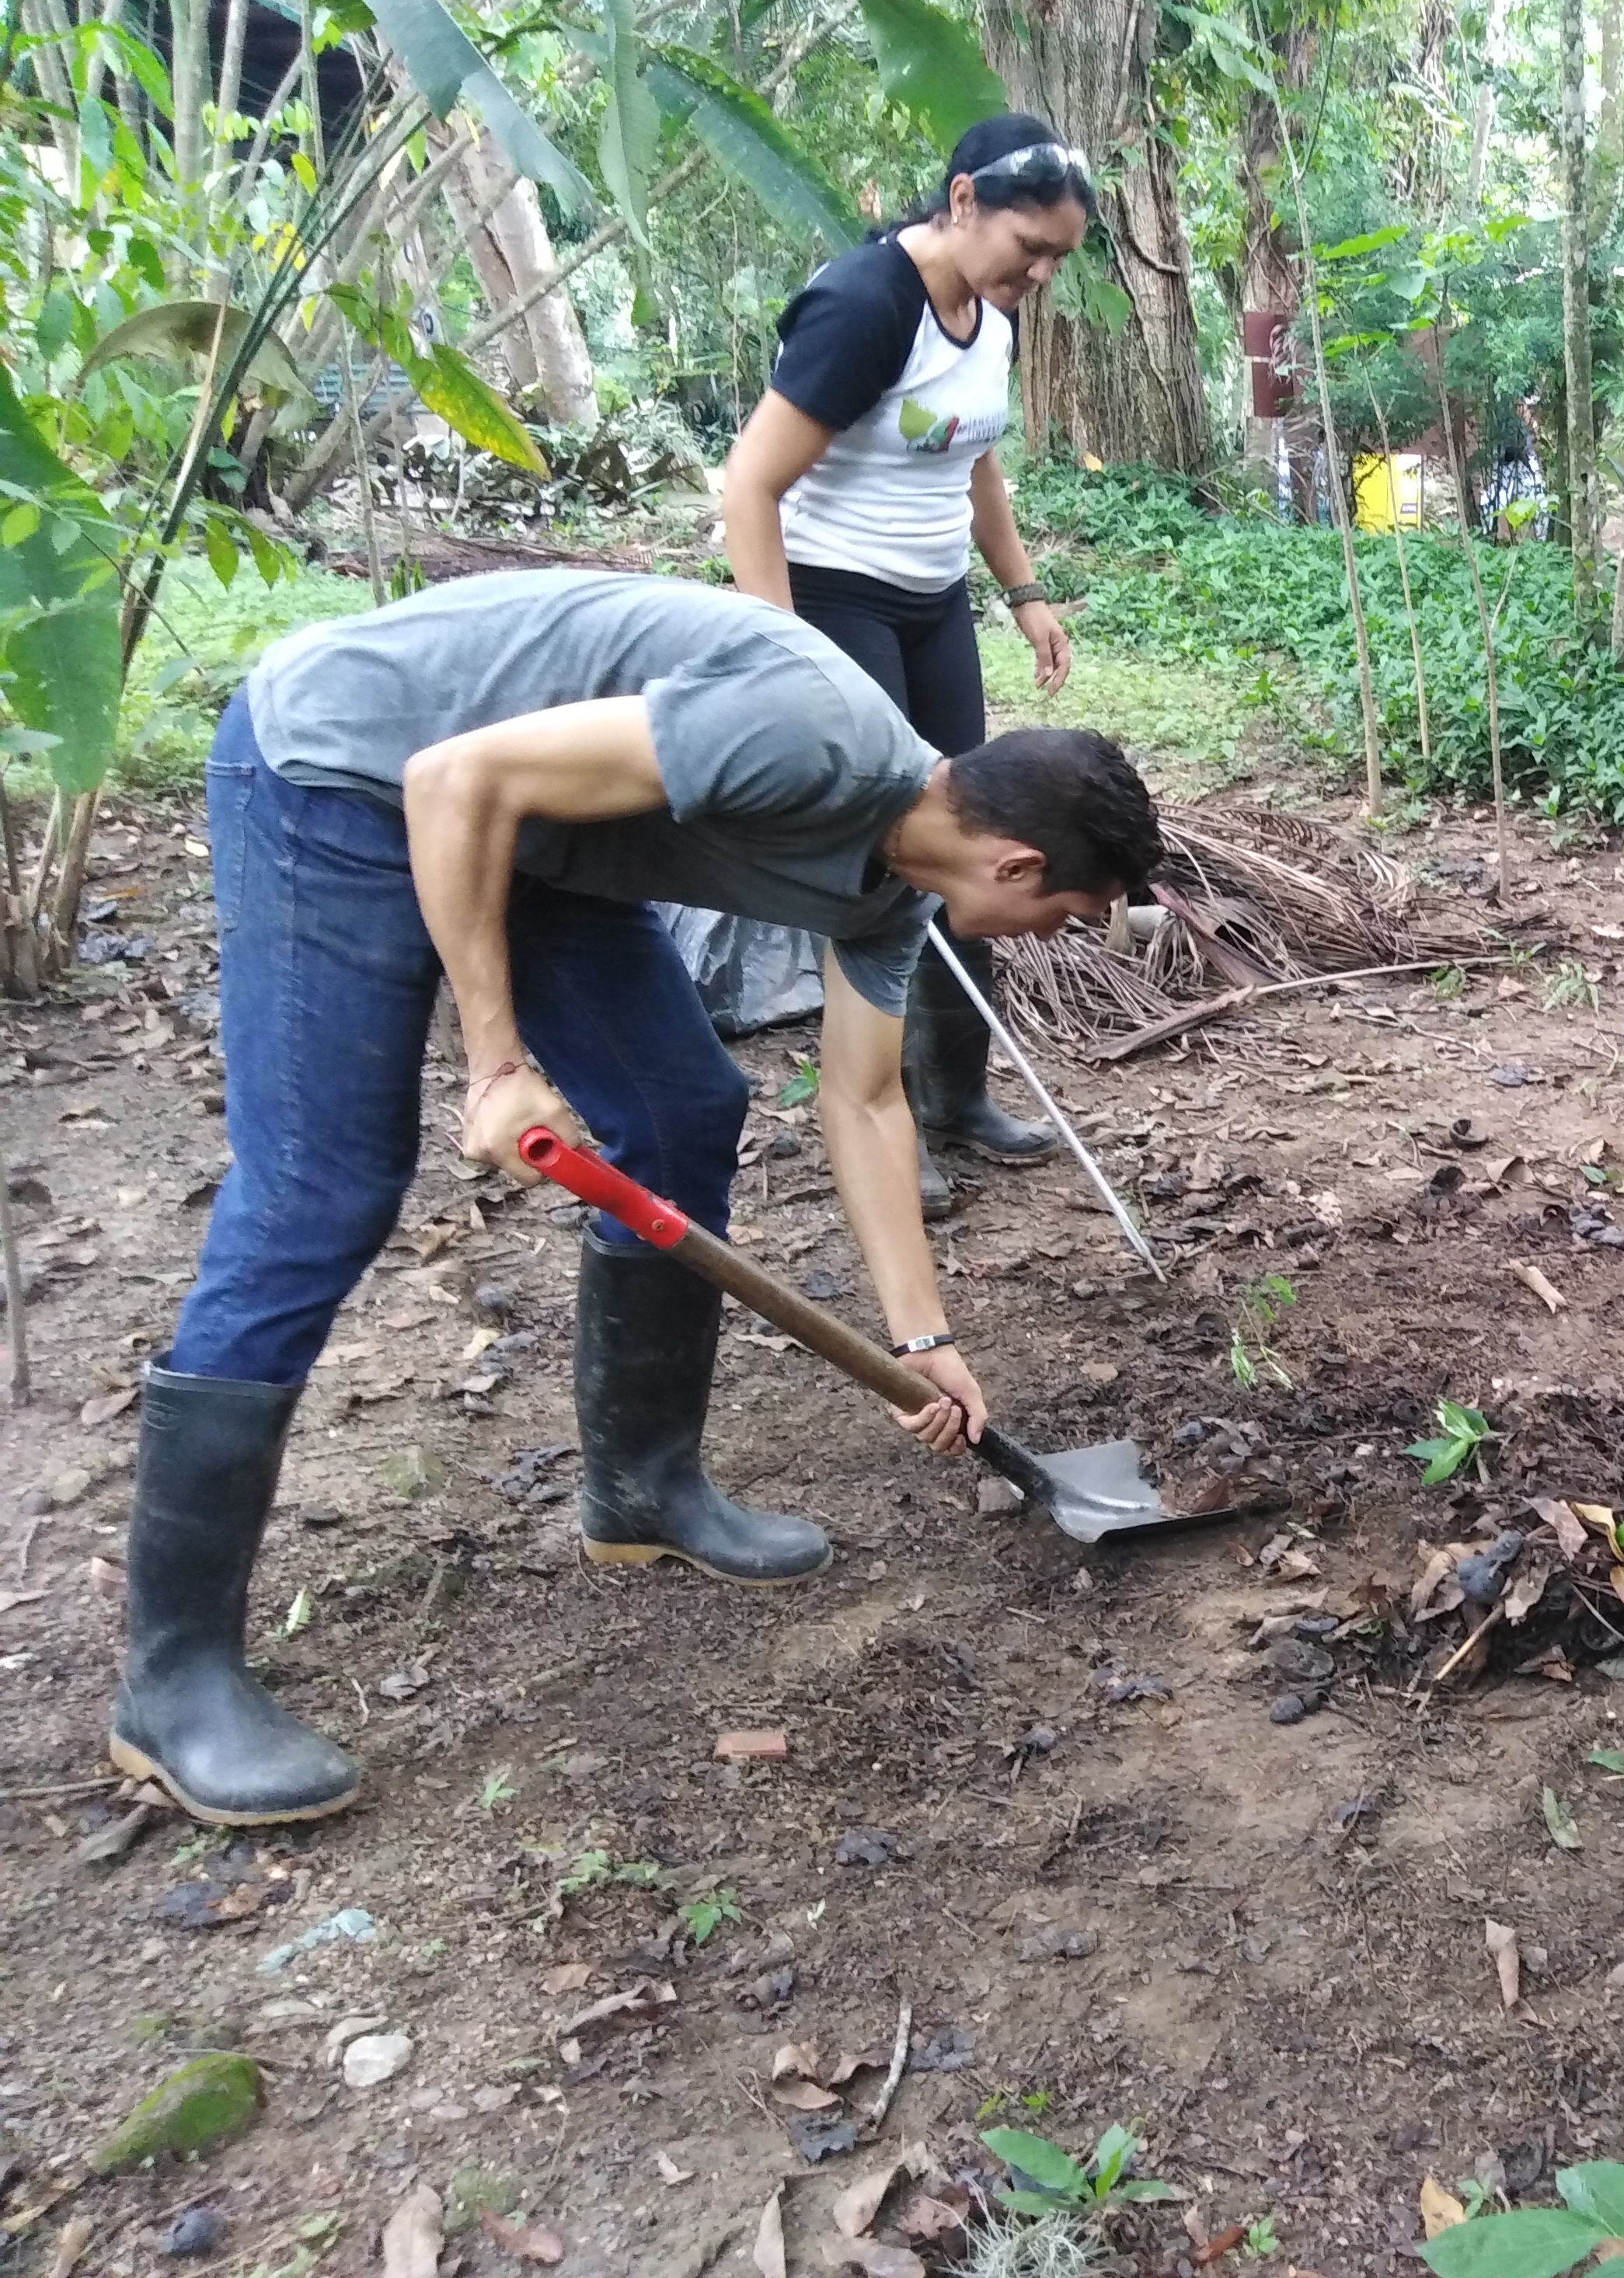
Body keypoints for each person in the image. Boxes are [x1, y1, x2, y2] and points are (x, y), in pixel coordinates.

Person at [123, 567, 1164, 1826]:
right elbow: (456, 780)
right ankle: (171, 1682)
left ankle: (641, 1486)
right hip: (343, 766)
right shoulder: (812, 736)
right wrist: (497, 1067)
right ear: (1017, 859)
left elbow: (867, 1102)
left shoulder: (891, 895)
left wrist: (924, 1340)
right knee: (325, 1188)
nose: (1063, 935)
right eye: (1073, 913)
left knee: (680, 1114)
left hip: (538, 837)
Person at [721, 113, 1098, 1210]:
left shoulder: (991, 317)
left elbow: (976, 465)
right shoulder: (864, 305)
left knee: (975, 837)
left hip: (934, 605)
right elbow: (750, 486)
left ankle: (956, 1093)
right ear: (965, 196)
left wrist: (1023, 594)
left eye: (1058, 260)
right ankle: (880, 1115)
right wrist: (783, 654)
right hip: (834, 600)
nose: (1040, 272)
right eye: (1031, 245)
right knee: (887, 856)